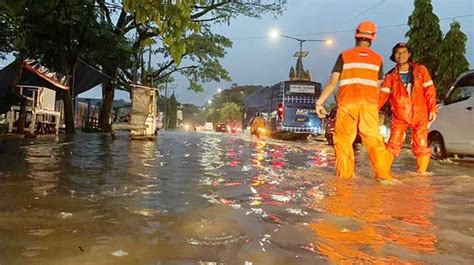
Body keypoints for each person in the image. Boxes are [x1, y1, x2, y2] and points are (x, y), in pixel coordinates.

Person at [315, 20, 395, 183]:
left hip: (348, 104)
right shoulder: (377, 59)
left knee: (344, 142)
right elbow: (378, 86)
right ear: (373, 38)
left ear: (356, 35)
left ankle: (344, 180)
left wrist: (320, 103)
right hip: (369, 105)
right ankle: (384, 176)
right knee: (374, 141)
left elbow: (333, 82)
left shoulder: (345, 56)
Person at [378, 42, 437, 175]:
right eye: (398, 53)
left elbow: (430, 90)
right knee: (393, 144)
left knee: (421, 145)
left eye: (404, 52)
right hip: (399, 115)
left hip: (420, 114)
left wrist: (433, 109)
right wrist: (373, 110)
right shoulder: (390, 76)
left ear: (409, 54)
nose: (401, 55)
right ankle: (384, 173)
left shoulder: (421, 70)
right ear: (394, 56)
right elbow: (382, 95)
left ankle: (421, 174)